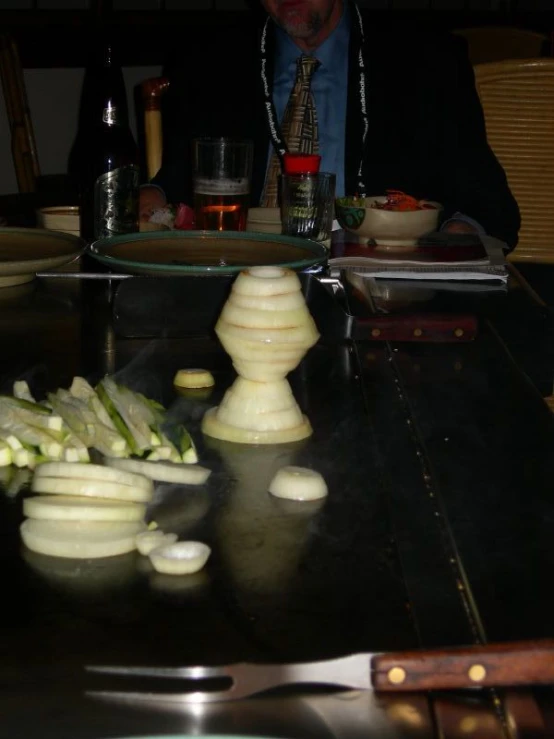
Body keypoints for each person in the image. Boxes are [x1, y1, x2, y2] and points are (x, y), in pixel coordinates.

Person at [140, 0, 520, 251]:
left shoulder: (423, 60)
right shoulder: (213, 60)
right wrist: (151, 199)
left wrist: (453, 242)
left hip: (380, 301)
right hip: (240, 282)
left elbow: (487, 204)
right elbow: (183, 182)